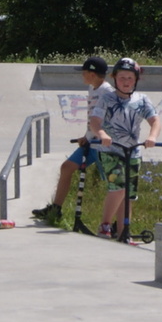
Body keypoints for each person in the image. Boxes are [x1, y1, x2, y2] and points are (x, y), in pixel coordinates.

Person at [33, 55, 113, 226]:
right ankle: (56, 209)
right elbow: (93, 117)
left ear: (92, 74)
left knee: (112, 183)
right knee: (66, 167)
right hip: (92, 142)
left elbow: (109, 118)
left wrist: (103, 137)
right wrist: (87, 136)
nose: (81, 76)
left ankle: (112, 223)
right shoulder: (93, 89)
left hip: (104, 145)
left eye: (83, 72)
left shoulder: (107, 91)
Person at [89, 57, 162, 239]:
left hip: (133, 151)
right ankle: (105, 225)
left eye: (130, 78)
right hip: (111, 151)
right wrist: (102, 134)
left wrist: (152, 137)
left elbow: (155, 121)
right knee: (119, 187)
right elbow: (95, 121)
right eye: (122, 78)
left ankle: (123, 232)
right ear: (115, 79)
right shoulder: (107, 99)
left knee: (129, 195)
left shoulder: (142, 100)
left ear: (136, 80)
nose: (126, 82)